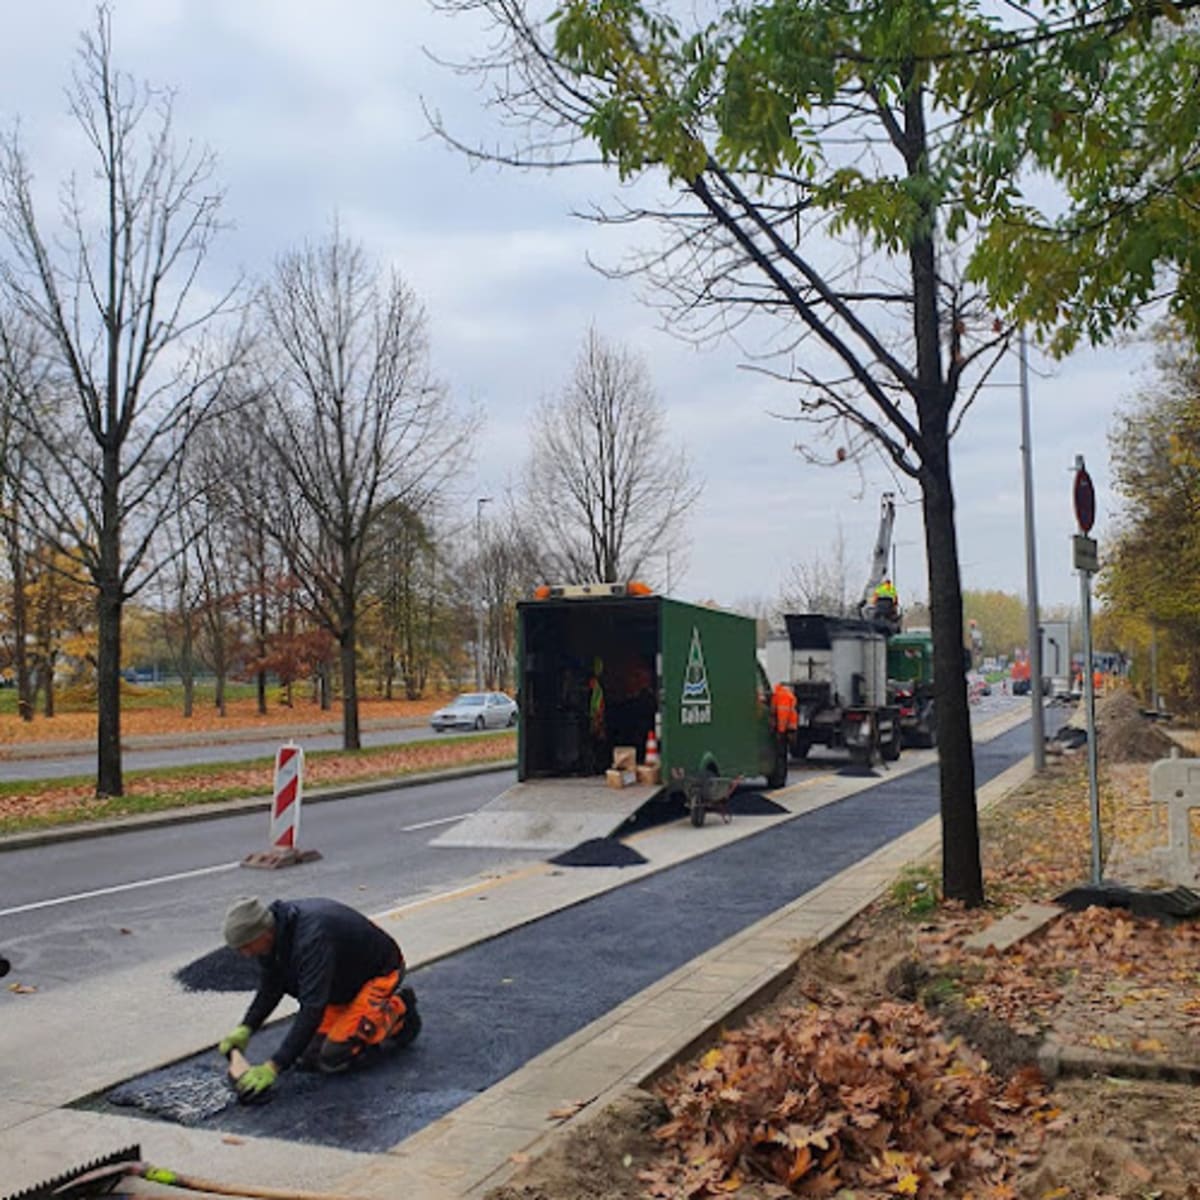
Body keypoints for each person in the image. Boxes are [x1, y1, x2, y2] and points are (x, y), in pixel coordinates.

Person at [217, 896, 420, 1099]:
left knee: (335, 1055)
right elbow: (272, 986)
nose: (245, 954)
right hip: (341, 983)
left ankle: (399, 1010)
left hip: (378, 973)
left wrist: (274, 1066)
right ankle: (359, 1014)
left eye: (246, 946)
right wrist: (246, 1027)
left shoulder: (311, 939)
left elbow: (313, 1006)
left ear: (263, 933)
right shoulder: (272, 939)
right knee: (308, 1057)